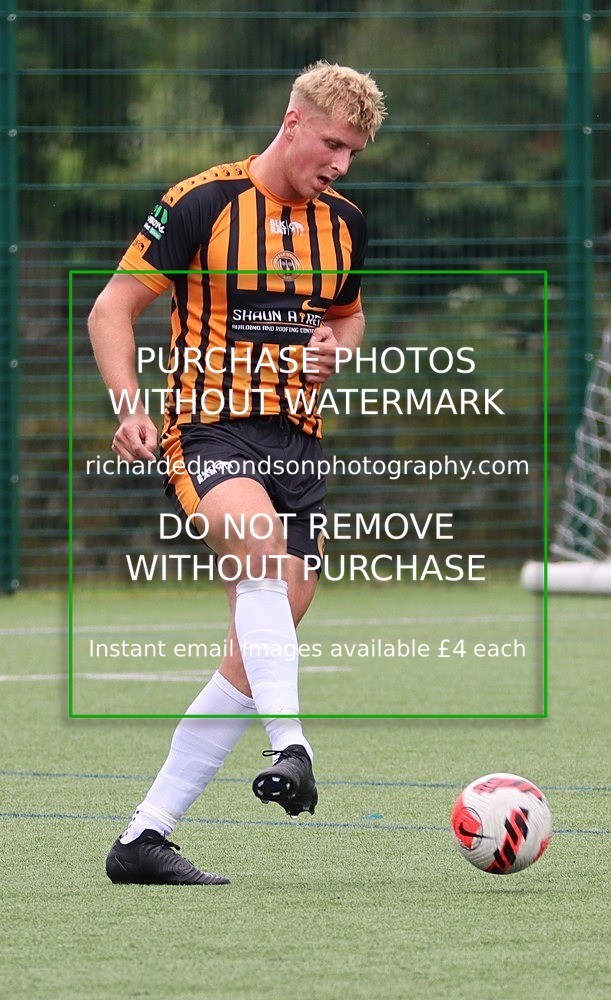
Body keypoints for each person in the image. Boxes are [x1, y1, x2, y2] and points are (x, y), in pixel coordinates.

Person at [88, 60, 386, 885]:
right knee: (256, 552)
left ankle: (143, 838)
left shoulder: (346, 223)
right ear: (291, 122)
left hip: (296, 446)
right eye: (331, 143)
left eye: (353, 152)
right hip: (205, 429)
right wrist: (128, 404)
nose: (339, 164)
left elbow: (348, 313)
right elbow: (112, 306)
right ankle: (292, 746)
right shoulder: (202, 203)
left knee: (262, 641)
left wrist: (340, 348)